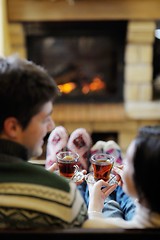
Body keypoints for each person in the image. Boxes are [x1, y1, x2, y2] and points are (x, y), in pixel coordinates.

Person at [0, 55, 88, 230]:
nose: (51, 126)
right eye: (45, 119)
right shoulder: (63, 196)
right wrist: (45, 182)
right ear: (13, 127)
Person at [46, 125, 136, 221]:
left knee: (83, 187)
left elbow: (91, 224)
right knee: (125, 197)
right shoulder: (144, 220)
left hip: (90, 220)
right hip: (122, 223)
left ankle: (74, 171)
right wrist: (134, 190)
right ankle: (111, 174)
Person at [83, 125, 160, 228]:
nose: (122, 164)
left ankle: (83, 170)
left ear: (142, 180)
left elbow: (91, 228)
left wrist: (94, 208)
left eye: (127, 160)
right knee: (127, 201)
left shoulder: (100, 227)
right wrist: (135, 192)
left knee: (109, 204)